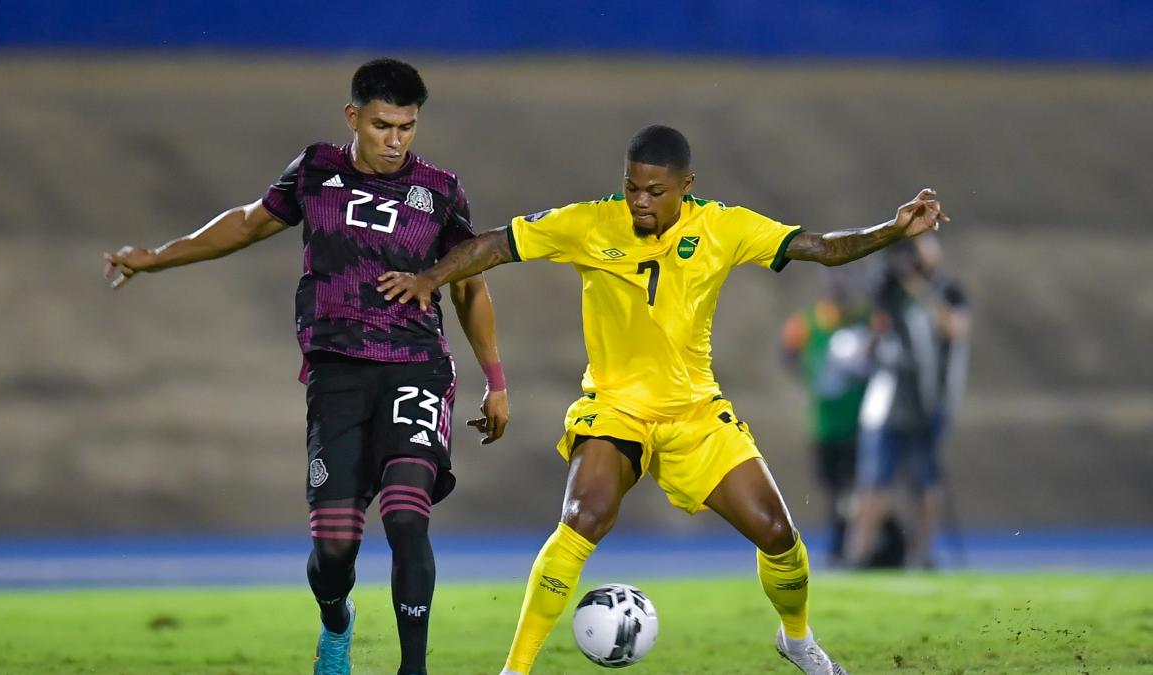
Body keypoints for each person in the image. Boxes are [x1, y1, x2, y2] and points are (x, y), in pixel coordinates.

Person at [378, 125, 950, 675]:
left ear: (686, 185)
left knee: (778, 534)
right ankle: (515, 668)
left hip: (695, 412)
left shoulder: (723, 228)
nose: (640, 202)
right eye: (632, 187)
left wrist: (893, 231)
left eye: (655, 191)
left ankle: (796, 639)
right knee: (583, 517)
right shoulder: (589, 222)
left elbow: (822, 248)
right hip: (614, 407)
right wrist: (429, 279)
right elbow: (494, 246)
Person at [103, 58, 510, 675]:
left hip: (416, 367)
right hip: (338, 375)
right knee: (334, 549)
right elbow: (245, 225)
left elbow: (470, 286)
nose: (395, 140)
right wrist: (156, 258)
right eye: (381, 126)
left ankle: (414, 669)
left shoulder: (440, 191)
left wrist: (496, 381)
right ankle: (336, 622)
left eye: (407, 126)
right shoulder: (317, 171)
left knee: (406, 516)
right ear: (353, 118)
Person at [846, 235, 970, 570]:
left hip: (929, 402)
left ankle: (922, 553)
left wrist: (918, 285)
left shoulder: (945, 291)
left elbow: (955, 329)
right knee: (874, 481)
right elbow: (873, 304)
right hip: (890, 402)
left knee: (925, 482)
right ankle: (857, 553)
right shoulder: (892, 289)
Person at [781, 269, 873, 566]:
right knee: (834, 489)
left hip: (858, 420)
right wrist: (808, 375)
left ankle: (849, 545)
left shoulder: (864, 318)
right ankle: (842, 543)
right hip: (824, 423)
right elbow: (787, 351)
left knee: (853, 489)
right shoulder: (809, 319)